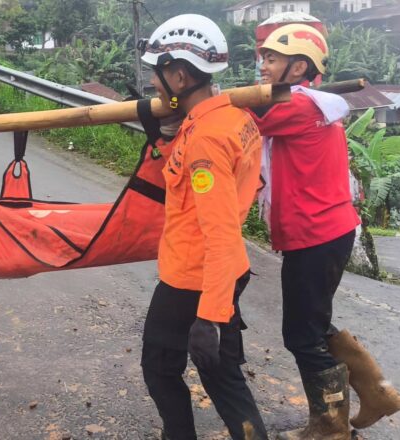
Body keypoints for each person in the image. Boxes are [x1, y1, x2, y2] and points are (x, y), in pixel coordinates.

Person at [250, 24, 400, 439]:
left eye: (271, 59)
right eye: (262, 58)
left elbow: (244, 118)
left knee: (301, 334)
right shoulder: (316, 104)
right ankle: (377, 393)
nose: (261, 67)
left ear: (298, 66)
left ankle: (331, 427)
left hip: (316, 235)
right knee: (313, 325)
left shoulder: (298, 108)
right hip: (327, 231)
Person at [138, 14, 268, 440]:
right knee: (221, 374)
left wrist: (210, 316)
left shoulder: (207, 139)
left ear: (178, 75)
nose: (154, 85)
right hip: (220, 271)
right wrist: (164, 135)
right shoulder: (233, 116)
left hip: (194, 276)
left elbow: (221, 232)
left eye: (157, 76)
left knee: (160, 367)